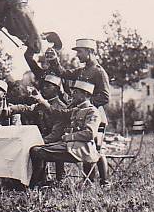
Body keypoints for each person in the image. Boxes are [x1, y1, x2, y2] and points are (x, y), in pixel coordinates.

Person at [46, 38, 111, 182]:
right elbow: (63, 73)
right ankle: (87, 180)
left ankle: (103, 181)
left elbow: (105, 97)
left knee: (96, 148)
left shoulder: (99, 72)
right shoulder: (82, 70)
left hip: (95, 115)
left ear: (90, 52)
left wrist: (86, 105)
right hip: (79, 115)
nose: (78, 55)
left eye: (80, 52)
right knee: (85, 146)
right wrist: (54, 60)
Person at [28, 80, 107, 188]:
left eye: (76, 92)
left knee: (37, 151)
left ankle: (34, 186)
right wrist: (41, 100)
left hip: (82, 149)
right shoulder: (75, 110)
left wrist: (68, 137)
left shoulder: (92, 111)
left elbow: (90, 133)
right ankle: (39, 183)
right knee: (35, 149)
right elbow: (56, 113)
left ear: (86, 94)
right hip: (70, 146)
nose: (72, 94)